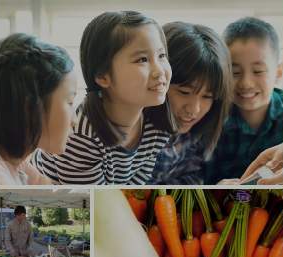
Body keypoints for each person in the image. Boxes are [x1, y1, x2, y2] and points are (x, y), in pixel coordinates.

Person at [30, 10, 177, 185]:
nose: (159, 70)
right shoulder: (80, 137)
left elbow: (135, 186)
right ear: (102, 76)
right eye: (142, 59)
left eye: (161, 56)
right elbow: (91, 199)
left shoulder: (158, 124)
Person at [148, 21, 233, 185]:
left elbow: (192, 177)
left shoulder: (196, 134)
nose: (194, 109)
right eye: (184, 92)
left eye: (207, 96)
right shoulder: (132, 132)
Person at [206, 17, 283, 184]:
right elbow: (200, 179)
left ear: (278, 73)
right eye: (234, 72)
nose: (246, 83)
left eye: (258, 71)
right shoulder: (210, 120)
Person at [0, 33, 79, 185]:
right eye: (70, 103)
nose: (75, 120)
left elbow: (54, 194)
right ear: (30, 109)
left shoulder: (17, 164)